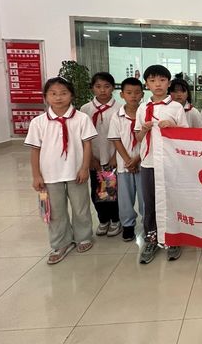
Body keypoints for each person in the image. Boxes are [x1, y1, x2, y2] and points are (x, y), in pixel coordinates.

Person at [25, 77, 96, 264]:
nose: (58, 98)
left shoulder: (82, 118)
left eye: (63, 93)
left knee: (80, 207)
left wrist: (84, 168)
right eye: (53, 94)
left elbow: (87, 145)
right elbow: (35, 150)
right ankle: (60, 242)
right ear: (46, 97)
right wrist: (36, 175)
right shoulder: (38, 122)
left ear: (71, 95)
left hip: (76, 172)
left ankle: (83, 236)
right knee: (55, 211)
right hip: (50, 175)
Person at [135, 65, 188, 264]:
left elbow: (185, 136)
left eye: (162, 80)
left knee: (171, 200)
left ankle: (173, 238)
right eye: (152, 81)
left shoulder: (176, 107)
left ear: (168, 83)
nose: (157, 84)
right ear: (146, 84)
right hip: (148, 162)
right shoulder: (142, 108)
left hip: (170, 163)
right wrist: (144, 130)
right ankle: (151, 238)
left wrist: (173, 127)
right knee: (149, 203)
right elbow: (138, 137)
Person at [80, 72, 121, 237]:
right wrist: (90, 158)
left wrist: (115, 157)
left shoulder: (119, 109)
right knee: (97, 191)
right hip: (94, 158)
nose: (102, 90)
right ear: (92, 88)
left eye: (107, 86)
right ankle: (103, 220)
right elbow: (82, 137)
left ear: (113, 88)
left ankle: (115, 220)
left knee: (112, 191)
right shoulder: (85, 110)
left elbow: (123, 136)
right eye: (98, 86)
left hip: (112, 158)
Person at [108, 77, 145, 242]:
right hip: (124, 165)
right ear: (122, 94)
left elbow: (149, 140)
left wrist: (137, 159)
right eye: (129, 93)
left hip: (144, 162)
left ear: (142, 94)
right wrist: (128, 160)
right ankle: (128, 225)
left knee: (145, 196)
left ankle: (147, 223)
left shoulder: (146, 113)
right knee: (125, 197)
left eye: (137, 92)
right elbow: (116, 140)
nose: (133, 96)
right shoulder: (117, 116)